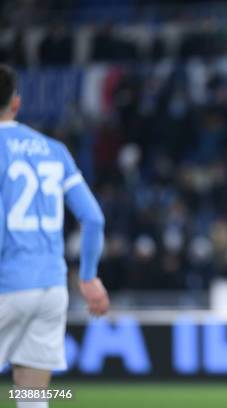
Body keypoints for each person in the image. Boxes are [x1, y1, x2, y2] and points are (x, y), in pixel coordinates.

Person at [0, 64, 109, 408]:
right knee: (32, 398)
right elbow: (93, 218)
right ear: (16, 103)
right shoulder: (54, 150)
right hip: (50, 288)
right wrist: (89, 277)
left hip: (6, 284)